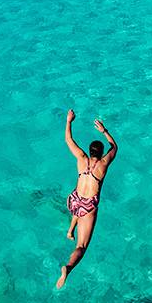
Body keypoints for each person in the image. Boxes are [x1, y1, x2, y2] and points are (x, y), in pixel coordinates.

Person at [58, 110, 118, 288]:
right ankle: (68, 268)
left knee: (78, 207)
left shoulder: (81, 158)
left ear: (89, 151)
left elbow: (68, 139)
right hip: (88, 206)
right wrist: (104, 131)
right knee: (82, 246)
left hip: (74, 199)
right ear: (101, 153)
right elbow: (114, 148)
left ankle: (70, 230)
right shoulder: (103, 165)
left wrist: (69, 121)